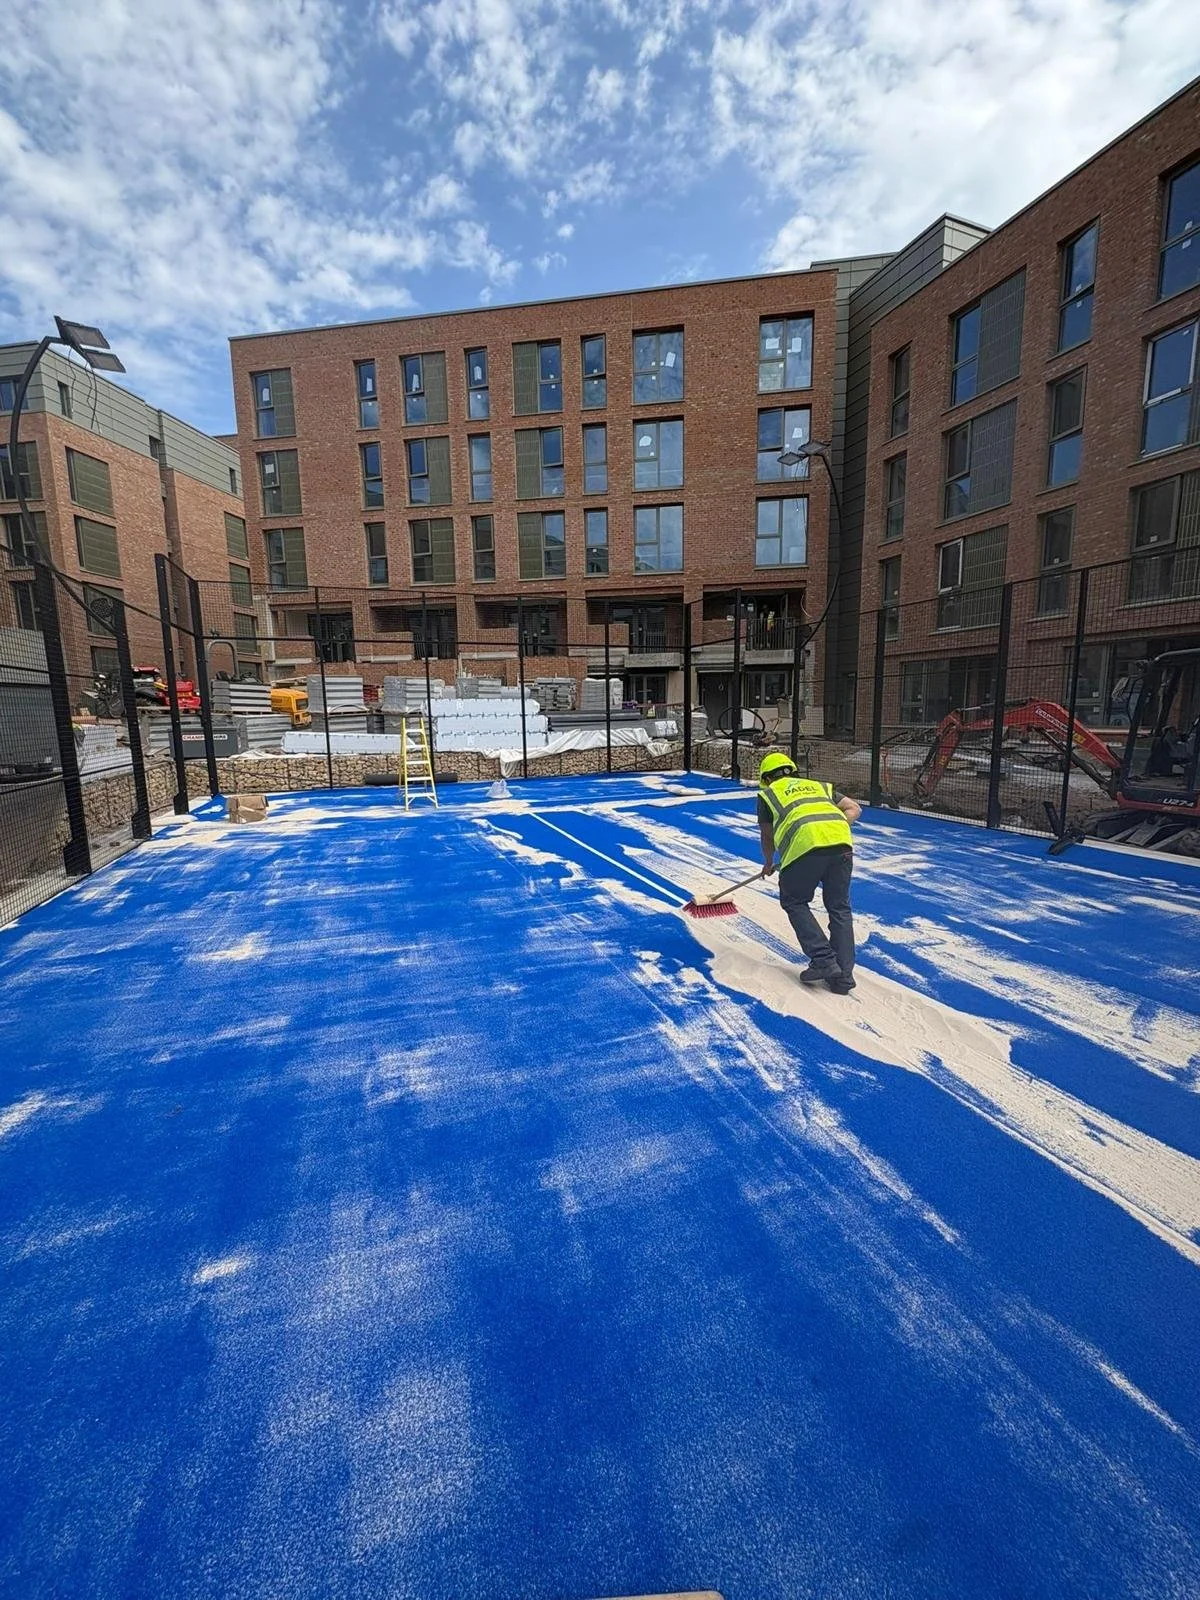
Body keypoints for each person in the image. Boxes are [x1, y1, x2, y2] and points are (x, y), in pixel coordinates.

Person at [757, 751, 862, 994]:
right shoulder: (818, 787)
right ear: (792, 770)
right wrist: (832, 826)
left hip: (807, 848)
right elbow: (854, 808)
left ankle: (824, 960)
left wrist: (768, 861)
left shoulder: (769, 794)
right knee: (839, 907)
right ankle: (843, 977)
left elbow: (767, 834)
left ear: (766, 778)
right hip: (842, 845)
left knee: (794, 900)